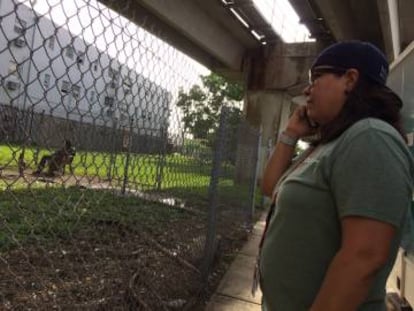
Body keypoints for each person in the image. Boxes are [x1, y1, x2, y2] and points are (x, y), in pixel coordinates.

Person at [258, 41, 414, 311]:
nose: (308, 89)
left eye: (316, 77)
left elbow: (363, 257)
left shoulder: (370, 136)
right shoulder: (330, 143)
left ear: (350, 79)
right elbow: (272, 188)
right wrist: (291, 134)